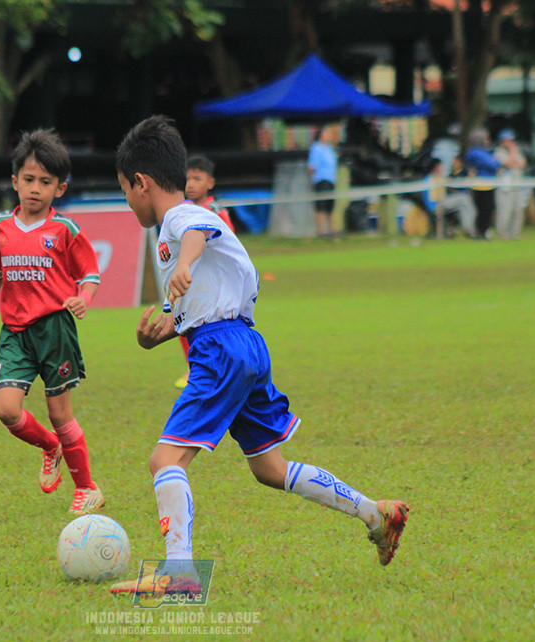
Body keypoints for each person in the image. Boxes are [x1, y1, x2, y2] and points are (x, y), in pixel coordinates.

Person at [109, 116, 409, 596]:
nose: (128, 202)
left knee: (165, 458)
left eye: (126, 191)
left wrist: (183, 262)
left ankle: (179, 574)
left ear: (141, 183)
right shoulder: (177, 227)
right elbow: (194, 309)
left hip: (221, 349)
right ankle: (375, 513)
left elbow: (199, 231)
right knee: (269, 469)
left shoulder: (180, 218)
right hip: (244, 342)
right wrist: (156, 335)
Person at [0, 129, 105, 516]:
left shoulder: (65, 231)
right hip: (15, 332)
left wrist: (83, 298)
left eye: (45, 182)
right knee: (7, 410)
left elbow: (91, 274)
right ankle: (49, 447)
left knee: (60, 414)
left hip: (55, 330)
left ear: (60, 188)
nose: (35, 189)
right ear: (14, 182)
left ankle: (87, 488)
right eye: (29, 180)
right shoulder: (0, 228)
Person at [174, 154, 235, 389]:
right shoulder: (182, 211)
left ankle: (207, 371)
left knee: (205, 325)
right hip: (191, 279)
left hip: (211, 282)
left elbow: (228, 243)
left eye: (197, 179)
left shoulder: (214, 211)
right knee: (182, 322)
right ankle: (195, 370)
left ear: (210, 183)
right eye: (187, 179)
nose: (190, 184)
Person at [423, 156, 478, 239]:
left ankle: (469, 231)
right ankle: (470, 230)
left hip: (443, 202)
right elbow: (430, 198)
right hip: (437, 205)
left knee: (463, 207)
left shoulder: (440, 177)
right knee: (464, 198)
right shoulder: (430, 179)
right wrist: (433, 209)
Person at [464, 128, 499, 240]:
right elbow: (493, 165)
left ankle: (484, 232)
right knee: (483, 209)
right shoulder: (475, 153)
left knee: (488, 209)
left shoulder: (484, 152)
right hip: (481, 186)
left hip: (488, 184)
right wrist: (495, 162)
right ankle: (480, 232)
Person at [492, 129, 528, 240]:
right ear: (502, 141)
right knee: (505, 211)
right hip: (504, 187)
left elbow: (522, 163)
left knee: (517, 211)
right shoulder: (498, 152)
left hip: (517, 185)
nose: (511, 143)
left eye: (512, 140)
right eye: (508, 140)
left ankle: (515, 234)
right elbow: (507, 163)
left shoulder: (517, 151)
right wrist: (513, 153)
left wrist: (514, 157)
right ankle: (503, 234)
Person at [307, 124, 340, 238]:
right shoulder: (316, 148)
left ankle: (332, 230)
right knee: (320, 206)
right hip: (321, 180)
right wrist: (311, 181)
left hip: (331, 180)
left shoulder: (329, 148)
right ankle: (321, 231)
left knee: (330, 206)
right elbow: (311, 167)